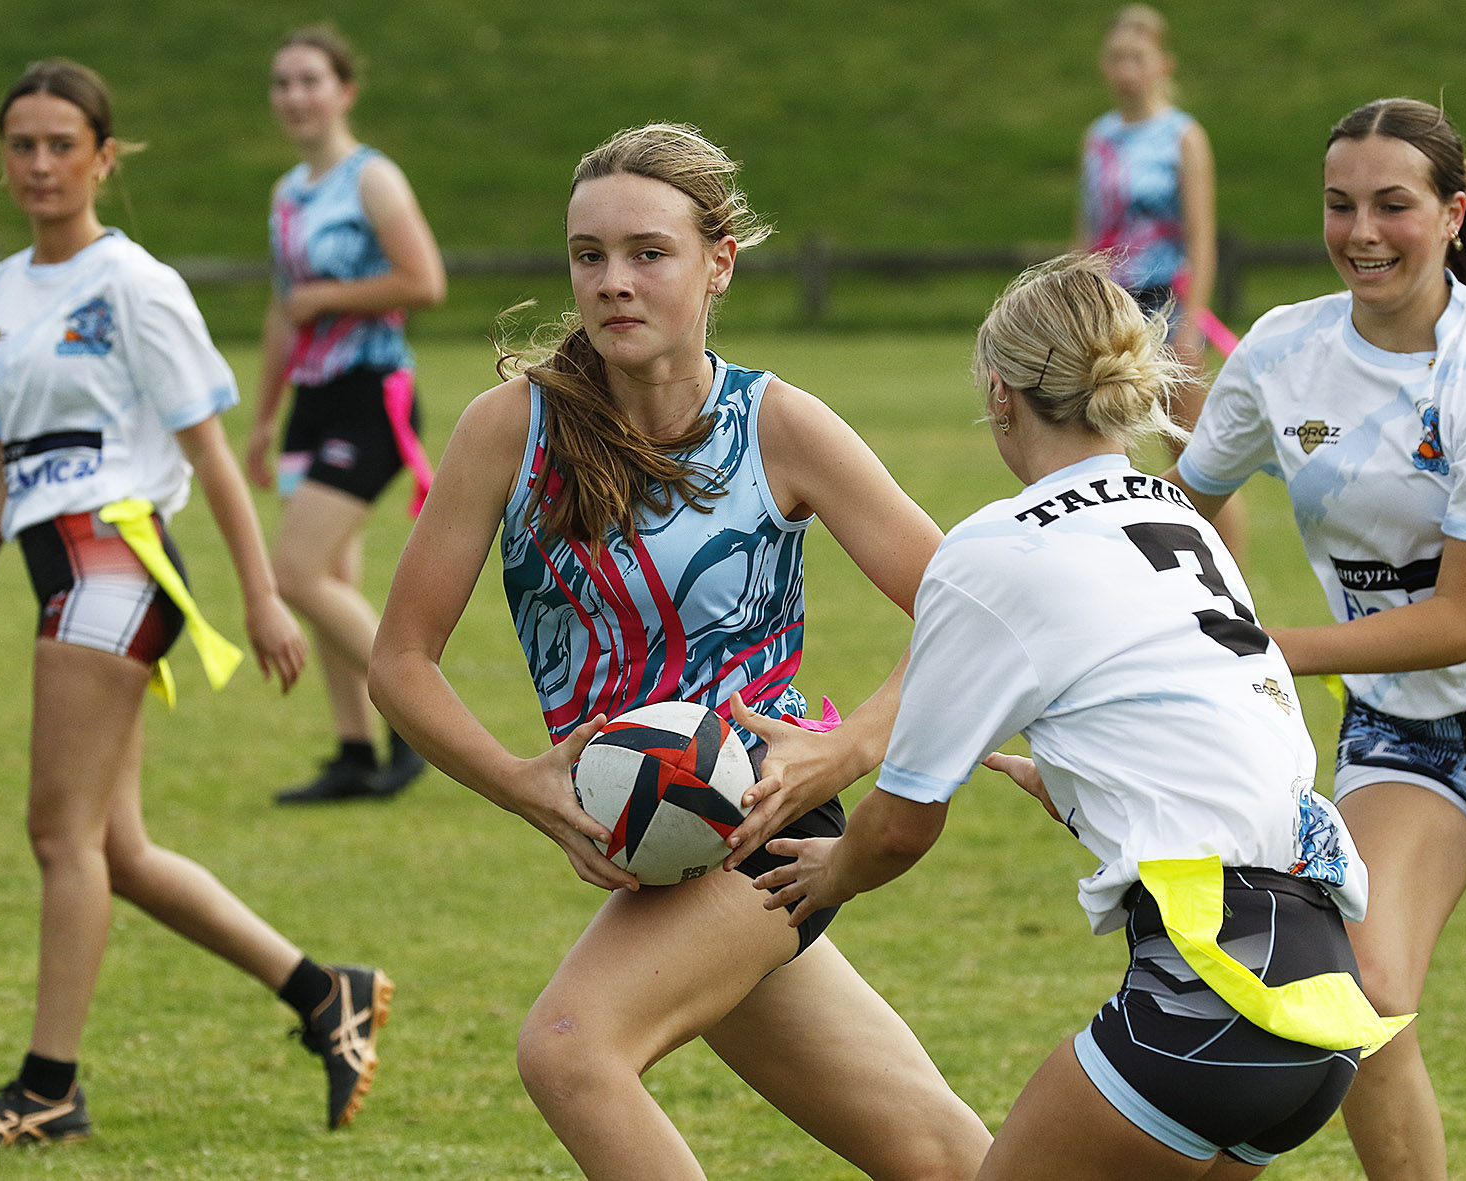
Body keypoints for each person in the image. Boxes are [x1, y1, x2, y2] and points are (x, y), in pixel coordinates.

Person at [368, 122, 991, 1180]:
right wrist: (523, 783)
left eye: (648, 252)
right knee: (935, 1152)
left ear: (719, 263)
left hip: (765, 816)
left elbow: (972, 608)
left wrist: (846, 748)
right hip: (656, 842)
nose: (612, 281)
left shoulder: (778, 424)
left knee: (571, 1049)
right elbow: (399, 661)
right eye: (589, 255)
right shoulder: (507, 429)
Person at [756, 255, 1399, 1180]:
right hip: (1320, 987)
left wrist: (832, 873)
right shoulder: (1183, 517)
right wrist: (1076, 785)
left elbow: (897, 828)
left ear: (1000, 393)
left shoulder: (998, 546)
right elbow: (1195, 722)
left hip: (1210, 993)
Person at [1167, 98, 1466, 1181]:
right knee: (1362, 1000)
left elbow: (1458, 622)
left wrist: (1258, 649)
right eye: (1338, 205)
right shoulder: (1280, 352)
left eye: (1391, 205)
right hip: (1403, 740)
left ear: (1451, 215)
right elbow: (1180, 507)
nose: (1360, 233)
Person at [0, 59, 391, 1146]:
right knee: (115, 850)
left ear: (102, 157)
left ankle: (48, 1087)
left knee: (57, 835)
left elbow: (212, 456)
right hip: (51, 565)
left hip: (115, 564)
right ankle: (327, 992)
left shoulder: (135, 282)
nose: (40, 164)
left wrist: (263, 596)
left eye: (62, 145)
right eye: (23, 145)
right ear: (4, 159)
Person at [246, 24, 446, 804]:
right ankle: (357, 750)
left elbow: (423, 281)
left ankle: (423, 718)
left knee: (293, 573)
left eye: (310, 80)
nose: (294, 96)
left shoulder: (373, 179)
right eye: (282, 82)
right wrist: (264, 417)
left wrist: (330, 296)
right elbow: (283, 310)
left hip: (372, 393)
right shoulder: (286, 193)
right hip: (313, 398)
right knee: (329, 576)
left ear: (344, 92)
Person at [1077, 4, 1243, 559]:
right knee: (1103, 449)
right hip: (1112, 307)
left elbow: (1200, 238)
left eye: (1137, 58)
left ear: (1162, 65)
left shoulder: (1182, 136)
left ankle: (1234, 581)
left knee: (1194, 456)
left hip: (1167, 303)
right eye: (1116, 58)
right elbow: (1089, 231)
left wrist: (1190, 326)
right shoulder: (1099, 137)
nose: (1126, 70)